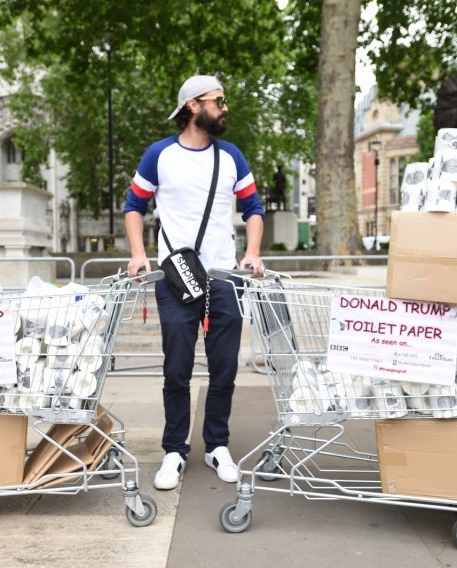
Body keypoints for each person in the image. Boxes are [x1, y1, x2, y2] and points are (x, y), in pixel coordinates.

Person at [123, 74, 265, 490]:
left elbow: (253, 208)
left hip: (223, 278)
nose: (225, 107)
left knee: (225, 368)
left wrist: (252, 252)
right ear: (192, 106)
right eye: (218, 100)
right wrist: (137, 253)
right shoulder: (159, 155)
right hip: (175, 277)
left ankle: (217, 444)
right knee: (177, 368)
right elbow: (134, 205)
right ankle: (174, 450)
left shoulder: (232, 157)